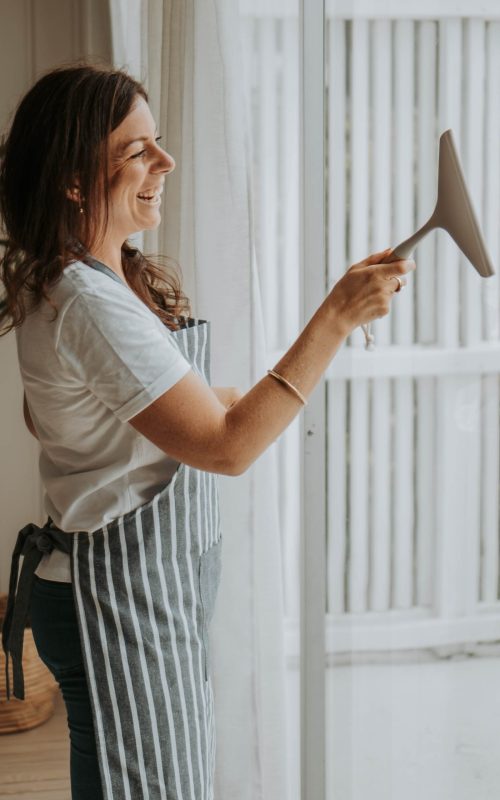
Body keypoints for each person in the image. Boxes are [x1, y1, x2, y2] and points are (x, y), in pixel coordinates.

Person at [0, 63, 415, 800]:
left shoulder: (89, 282)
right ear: (72, 180)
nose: (165, 162)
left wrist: (252, 394)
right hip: (119, 598)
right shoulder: (88, 305)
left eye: (158, 142)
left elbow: (147, 410)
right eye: (137, 150)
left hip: (125, 590)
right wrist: (337, 318)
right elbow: (227, 446)